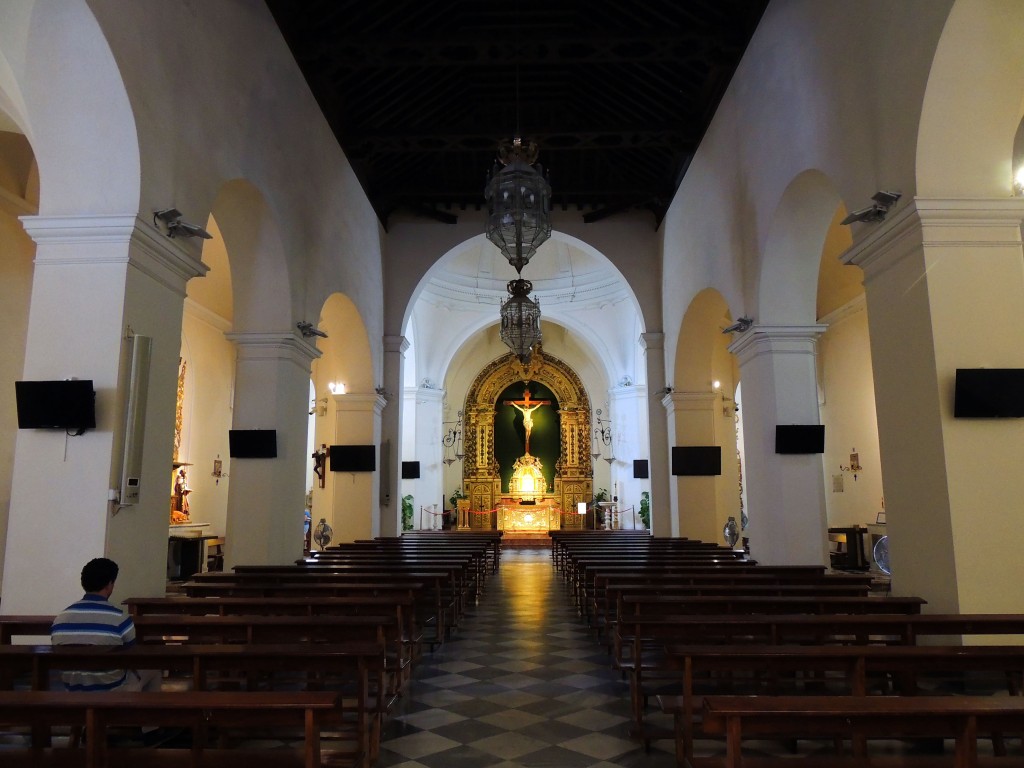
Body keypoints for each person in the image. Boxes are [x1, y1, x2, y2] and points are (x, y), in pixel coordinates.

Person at [51, 558, 161, 693]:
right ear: (109, 584)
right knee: (154, 668)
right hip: (112, 689)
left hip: (72, 688)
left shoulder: (61, 618)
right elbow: (132, 656)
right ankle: (148, 711)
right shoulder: (119, 618)